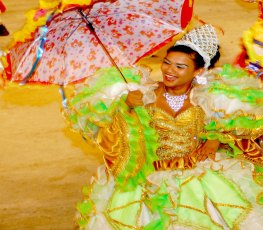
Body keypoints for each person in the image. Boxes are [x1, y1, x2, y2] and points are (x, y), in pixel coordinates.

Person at [65, 24, 263, 229]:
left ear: (199, 71)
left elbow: (236, 126)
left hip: (197, 170)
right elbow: (110, 135)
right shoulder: (144, 94)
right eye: (167, 62)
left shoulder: (210, 98)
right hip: (150, 172)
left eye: (180, 66)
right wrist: (126, 107)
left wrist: (213, 140)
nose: (169, 70)